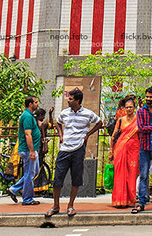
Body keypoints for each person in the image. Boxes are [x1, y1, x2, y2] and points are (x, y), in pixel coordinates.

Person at [46, 88, 101, 218]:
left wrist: (88, 134)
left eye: (70, 99)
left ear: (77, 100)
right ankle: (56, 205)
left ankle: (70, 205)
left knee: (76, 179)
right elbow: (58, 123)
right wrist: (61, 135)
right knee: (57, 179)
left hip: (78, 149)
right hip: (64, 149)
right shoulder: (65, 113)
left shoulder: (88, 114)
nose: (68, 101)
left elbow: (99, 122)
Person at [7, 96, 41, 206]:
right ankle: (27, 199)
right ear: (30, 104)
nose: (37, 104)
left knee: (33, 172)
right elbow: (28, 134)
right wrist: (31, 151)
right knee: (29, 174)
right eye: (36, 102)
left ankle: (13, 189)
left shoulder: (30, 116)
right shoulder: (27, 116)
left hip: (31, 149)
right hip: (28, 150)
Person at [109, 95, 140, 208]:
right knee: (120, 175)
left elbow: (140, 136)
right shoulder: (121, 120)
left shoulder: (138, 119)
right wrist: (111, 150)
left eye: (131, 107)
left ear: (134, 108)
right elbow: (114, 136)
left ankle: (131, 200)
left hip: (134, 149)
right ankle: (119, 200)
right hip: (120, 149)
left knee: (132, 174)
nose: (129, 109)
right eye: (127, 107)